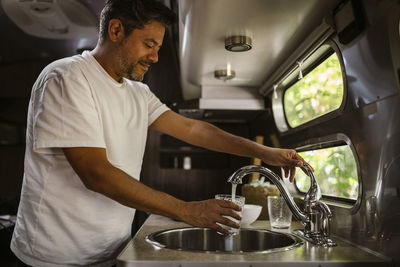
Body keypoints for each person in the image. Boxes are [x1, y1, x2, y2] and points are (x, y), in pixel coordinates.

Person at [11, 0, 310, 266]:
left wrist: (267, 153)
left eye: (158, 47)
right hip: (53, 255)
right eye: (148, 44)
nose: (154, 57)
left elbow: (194, 129)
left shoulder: (138, 93)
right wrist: (186, 210)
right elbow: (95, 173)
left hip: (108, 250)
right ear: (116, 31)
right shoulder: (68, 77)